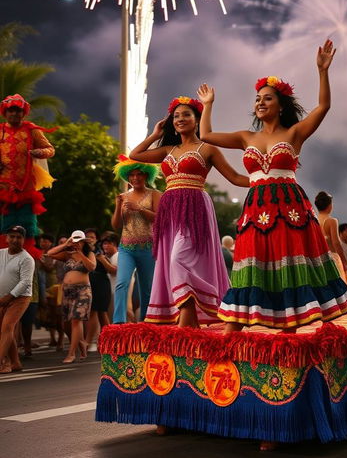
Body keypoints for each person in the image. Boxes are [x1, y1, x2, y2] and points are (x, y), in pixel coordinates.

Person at [201, 40, 347, 334]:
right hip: (256, 207)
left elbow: (324, 106)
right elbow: (206, 134)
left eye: (267, 98)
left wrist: (322, 71)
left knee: (290, 263)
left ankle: (290, 337)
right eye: (258, 98)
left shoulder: (295, 133)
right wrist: (208, 105)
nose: (260, 102)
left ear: (281, 104)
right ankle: (230, 339)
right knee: (251, 265)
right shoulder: (246, 137)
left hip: (289, 207)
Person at [130, 94, 248, 327]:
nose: (180, 119)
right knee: (170, 260)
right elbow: (135, 155)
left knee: (178, 258)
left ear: (197, 119)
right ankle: (189, 316)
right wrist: (155, 135)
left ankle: (193, 309)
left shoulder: (208, 149)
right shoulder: (167, 149)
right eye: (176, 116)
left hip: (194, 209)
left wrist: (263, 180)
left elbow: (234, 177)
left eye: (186, 115)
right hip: (169, 210)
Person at [0, 94, 55, 256]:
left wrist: (40, 152)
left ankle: (26, 260)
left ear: (23, 113)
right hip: (3, 188)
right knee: (4, 226)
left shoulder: (32, 130)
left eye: (18, 111)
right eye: (11, 110)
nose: (15, 114)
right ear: (5, 112)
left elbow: (50, 149)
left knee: (27, 226)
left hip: (26, 187)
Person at [111, 157, 161, 324]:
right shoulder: (123, 196)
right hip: (126, 248)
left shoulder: (154, 194)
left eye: (139, 174)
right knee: (121, 283)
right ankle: (119, 322)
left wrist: (139, 208)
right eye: (131, 175)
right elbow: (116, 226)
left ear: (146, 176)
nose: (135, 178)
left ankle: (146, 322)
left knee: (146, 290)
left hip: (148, 247)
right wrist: (118, 206)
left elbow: (160, 219)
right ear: (127, 177)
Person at [45, 230, 95, 364]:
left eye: (79, 242)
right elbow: (49, 253)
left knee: (76, 321)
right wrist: (65, 244)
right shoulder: (67, 255)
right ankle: (81, 344)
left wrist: (80, 255)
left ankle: (71, 353)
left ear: (84, 242)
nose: (77, 244)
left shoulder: (89, 253)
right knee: (66, 324)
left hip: (83, 291)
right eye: (74, 241)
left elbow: (91, 267)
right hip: (67, 292)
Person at [0, 226, 35, 373]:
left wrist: (9, 297)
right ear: (6, 238)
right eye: (12, 236)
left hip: (20, 298)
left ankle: (2, 361)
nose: (15, 240)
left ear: (23, 240)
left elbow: (25, 282)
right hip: (2, 298)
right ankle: (15, 362)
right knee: (4, 329)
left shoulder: (27, 259)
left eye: (18, 237)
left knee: (7, 327)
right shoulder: (1, 253)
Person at [315, 191, 347, 295]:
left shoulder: (314, 220)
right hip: (332, 258)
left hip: (318, 258)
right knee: (337, 289)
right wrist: (346, 262)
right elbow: (336, 243)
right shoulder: (331, 221)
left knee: (324, 287)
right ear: (329, 205)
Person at [84, 228, 112, 350]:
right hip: (89, 285)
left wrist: (101, 259)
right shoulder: (83, 251)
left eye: (92, 237)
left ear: (97, 239)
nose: (90, 239)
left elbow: (110, 269)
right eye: (87, 237)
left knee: (100, 313)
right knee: (95, 313)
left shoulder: (100, 252)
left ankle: (105, 341)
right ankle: (98, 342)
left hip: (101, 284)